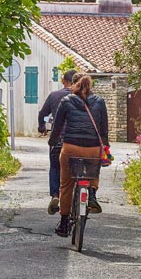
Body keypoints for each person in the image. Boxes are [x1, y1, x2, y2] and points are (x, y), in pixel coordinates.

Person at [49, 74, 108, 237]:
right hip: (93, 148)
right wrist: (106, 147)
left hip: (71, 147)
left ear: (74, 84)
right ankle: (92, 193)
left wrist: (52, 142)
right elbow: (104, 129)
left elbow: (58, 126)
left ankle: (63, 223)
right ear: (91, 85)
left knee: (66, 184)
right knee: (92, 171)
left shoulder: (66, 101)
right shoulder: (100, 102)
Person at [37, 69, 77, 215]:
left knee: (55, 167)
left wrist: (42, 127)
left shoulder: (55, 95)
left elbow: (43, 114)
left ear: (63, 81)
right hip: (80, 141)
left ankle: (55, 195)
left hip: (59, 139)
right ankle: (84, 195)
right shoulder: (84, 96)